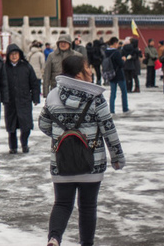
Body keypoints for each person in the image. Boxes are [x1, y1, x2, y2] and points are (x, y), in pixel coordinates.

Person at [39, 56, 125, 246]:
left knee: (61, 203)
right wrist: (117, 157)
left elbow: (44, 125)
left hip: (61, 161)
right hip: (91, 163)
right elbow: (108, 129)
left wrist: (61, 136)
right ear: (79, 73)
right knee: (87, 207)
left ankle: (54, 238)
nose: (90, 70)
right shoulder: (96, 97)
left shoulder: (53, 95)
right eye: (87, 67)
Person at [3, 43, 40, 154]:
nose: (14, 56)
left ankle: (24, 143)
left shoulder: (26, 67)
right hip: (10, 101)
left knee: (26, 125)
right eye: (12, 54)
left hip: (24, 100)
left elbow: (34, 83)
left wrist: (35, 97)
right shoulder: (4, 68)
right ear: (8, 55)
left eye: (16, 54)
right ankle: (13, 147)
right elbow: (0, 84)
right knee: (11, 126)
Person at [104, 38, 131, 115]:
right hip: (119, 74)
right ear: (115, 43)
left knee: (113, 93)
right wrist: (124, 60)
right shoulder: (116, 52)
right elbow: (121, 64)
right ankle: (125, 108)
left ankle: (112, 110)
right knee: (124, 91)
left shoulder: (106, 52)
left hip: (110, 74)